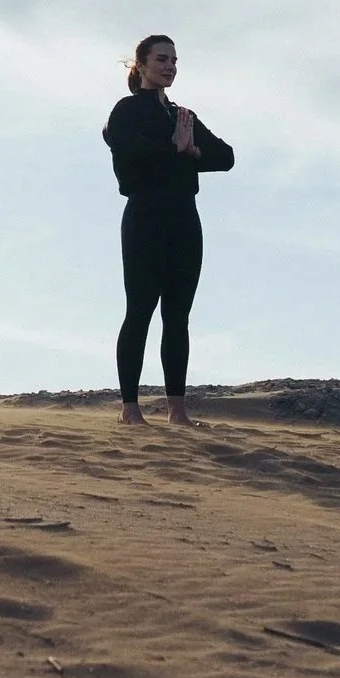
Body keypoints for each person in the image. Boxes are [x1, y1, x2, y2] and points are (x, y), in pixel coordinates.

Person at [102, 35, 234, 425]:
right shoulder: (126, 110)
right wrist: (172, 150)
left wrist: (193, 151)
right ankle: (131, 409)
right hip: (145, 217)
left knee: (178, 315)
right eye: (162, 59)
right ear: (141, 65)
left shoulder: (182, 116)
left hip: (184, 221)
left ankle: (177, 410)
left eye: (175, 60)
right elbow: (125, 158)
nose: (170, 66)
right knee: (140, 310)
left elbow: (225, 157)